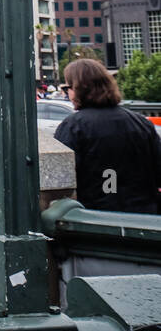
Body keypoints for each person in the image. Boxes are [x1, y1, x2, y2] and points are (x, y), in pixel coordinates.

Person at [54, 58, 161, 214]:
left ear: (79, 89)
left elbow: (60, 178)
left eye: (67, 88)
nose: (67, 93)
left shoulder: (73, 126)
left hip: (97, 217)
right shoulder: (141, 123)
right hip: (145, 216)